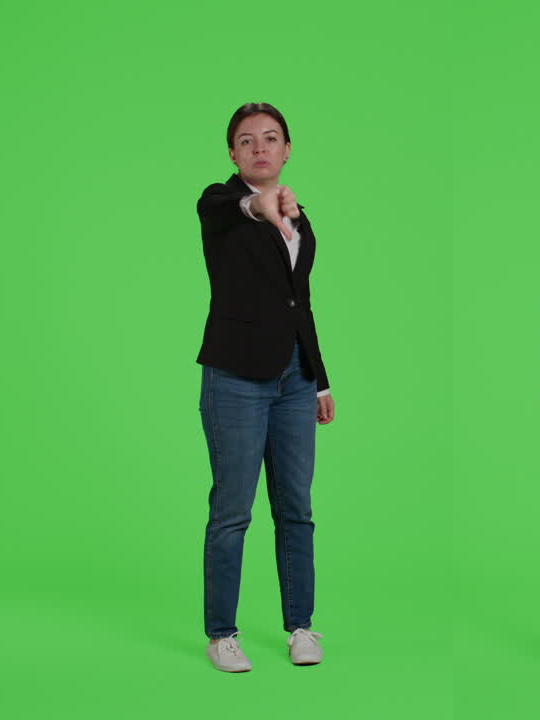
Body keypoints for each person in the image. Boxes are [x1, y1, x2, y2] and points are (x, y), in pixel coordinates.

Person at [196, 103, 335, 673]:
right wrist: (261, 205)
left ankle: (301, 626)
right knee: (232, 510)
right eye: (247, 140)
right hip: (235, 377)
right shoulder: (219, 204)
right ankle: (221, 633)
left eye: (271, 138)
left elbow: (299, 305)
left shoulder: (303, 220)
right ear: (232, 153)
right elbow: (237, 206)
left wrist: (320, 379)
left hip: (296, 377)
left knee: (296, 508)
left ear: (287, 148)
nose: (260, 148)